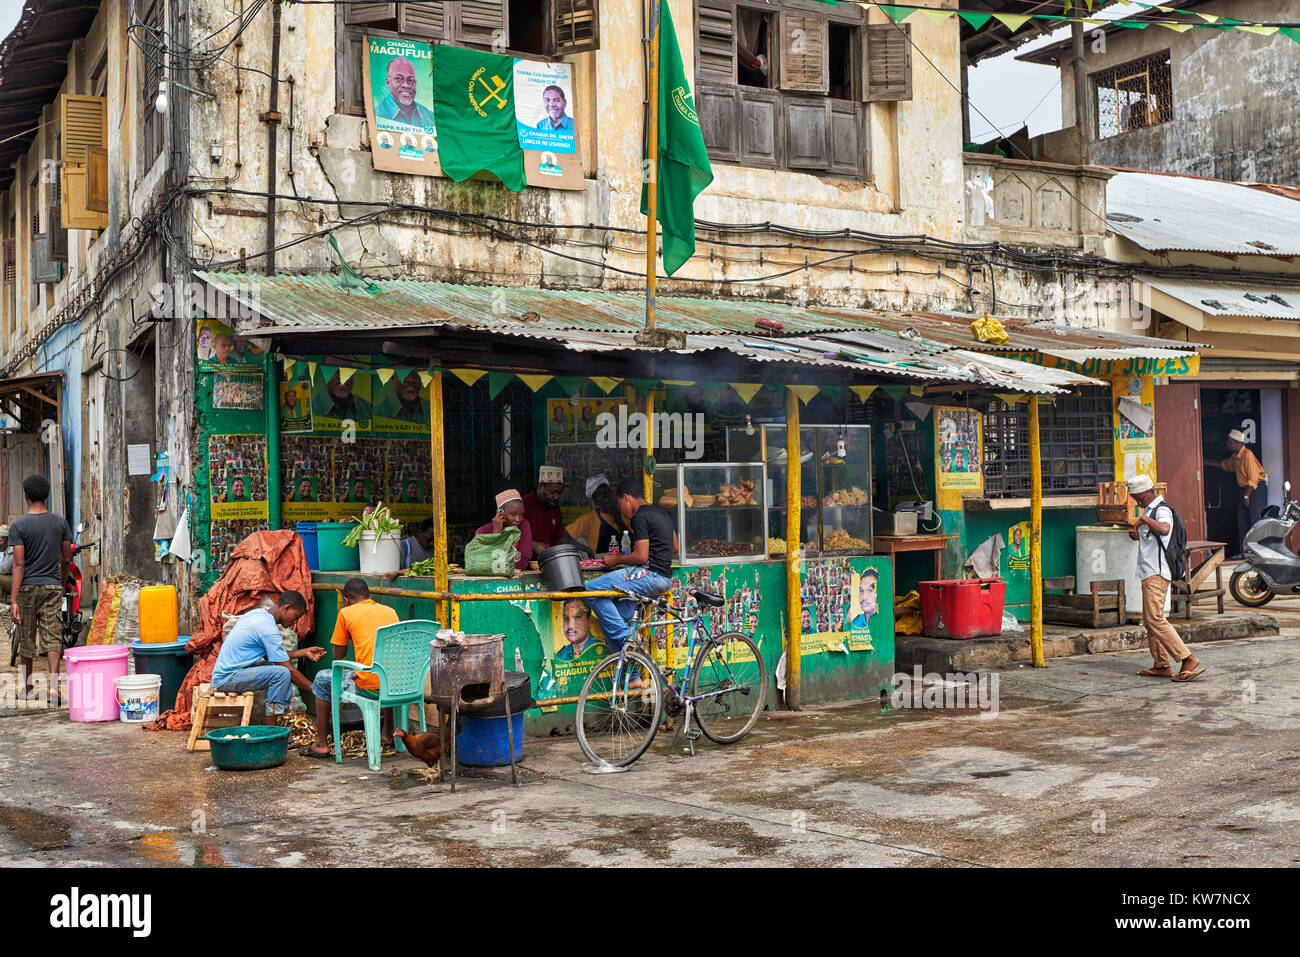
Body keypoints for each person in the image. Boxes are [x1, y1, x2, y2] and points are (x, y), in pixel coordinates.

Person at [301, 578, 400, 758]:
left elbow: (338, 658)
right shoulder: (390, 611)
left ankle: (322, 743)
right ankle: (387, 733)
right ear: (369, 596)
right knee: (384, 671)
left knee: (322, 680)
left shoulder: (346, 613)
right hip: (396, 686)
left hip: (370, 689)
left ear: (347, 600)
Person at [583, 479, 677, 652]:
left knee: (589, 590)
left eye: (620, 506)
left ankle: (628, 638)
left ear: (626, 498)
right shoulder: (662, 512)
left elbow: (642, 556)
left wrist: (616, 559)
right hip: (665, 578)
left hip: (650, 576)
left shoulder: (639, 516)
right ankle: (633, 678)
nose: (622, 512)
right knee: (615, 618)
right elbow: (675, 547)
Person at [1128, 476, 1203, 682]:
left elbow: (1164, 529)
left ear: (1147, 492)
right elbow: (1155, 538)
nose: (1137, 501)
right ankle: (1161, 665)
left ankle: (1187, 658)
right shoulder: (1149, 510)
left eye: (1138, 497)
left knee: (1155, 619)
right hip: (1148, 571)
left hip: (1157, 573)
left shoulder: (1161, 509)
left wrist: (1143, 520)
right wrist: (1139, 534)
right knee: (1150, 621)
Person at [211, 591, 326, 717]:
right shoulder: (268, 629)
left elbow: (270, 656)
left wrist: (304, 652)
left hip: (228, 673)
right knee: (282, 673)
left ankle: (281, 715)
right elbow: (288, 669)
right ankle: (274, 726)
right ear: (286, 608)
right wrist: (315, 689)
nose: (295, 622)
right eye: (296, 617)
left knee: (279, 668)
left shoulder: (259, 614)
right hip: (228, 678)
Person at [9, 476, 73, 702]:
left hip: (27, 588)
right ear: (46, 496)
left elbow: (18, 563)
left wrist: (14, 600)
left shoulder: (19, 526)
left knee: (26, 635)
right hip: (52, 586)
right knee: (53, 634)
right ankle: (54, 689)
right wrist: (62, 582)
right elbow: (66, 559)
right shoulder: (60, 523)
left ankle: (27, 688)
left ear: (25, 495)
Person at [1205, 428, 1268, 555]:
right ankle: (1245, 553)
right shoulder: (1235, 457)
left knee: (1255, 521)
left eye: (1230, 442)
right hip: (1246, 490)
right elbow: (1225, 465)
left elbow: (1253, 479)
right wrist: (1207, 463)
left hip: (1254, 490)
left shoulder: (1247, 455)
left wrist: (1247, 497)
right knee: (1242, 523)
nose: (1228, 444)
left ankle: (1258, 554)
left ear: (1238, 443)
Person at [565, 473, 628, 555]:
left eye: (606, 492)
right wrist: (586, 549)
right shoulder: (588, 519)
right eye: (598, 494)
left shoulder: (625, 514)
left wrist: (618, 520)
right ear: (595, 501)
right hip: (599, 564)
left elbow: (633, 540)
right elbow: (565, 537)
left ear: (611, 493)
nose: (604, 496)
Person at [474, 490, 534, 571]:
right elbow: (481, 562)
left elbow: (523, 561)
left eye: (521, 514)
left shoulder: (523, 525)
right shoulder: (482, 532)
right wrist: (496, 532)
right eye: (513, 514)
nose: (518, 519)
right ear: (500, 512)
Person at [376, 56, 437, 129]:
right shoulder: (377, 114)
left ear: (416, 83)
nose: (406, 85)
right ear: (388, 82)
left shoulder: (429, 117)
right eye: (399, 79)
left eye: (411, 80)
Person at [522, 465, 568, 556]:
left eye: (559, 493)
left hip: (548, 562)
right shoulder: (523, 505)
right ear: (540, 486)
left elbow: (559, 537)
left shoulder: (555, 509)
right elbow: (510, 537)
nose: (556, 497)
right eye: (551, 492)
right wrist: (533, 545)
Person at [0, 525, 13, 604]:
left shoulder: (12, 549)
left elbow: (4, 569)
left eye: (0, 541)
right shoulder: (5, 550)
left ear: (8, 540)